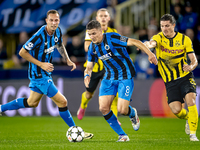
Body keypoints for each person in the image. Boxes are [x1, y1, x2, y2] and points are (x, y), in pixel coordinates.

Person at [0, 9, 93, 139]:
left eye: (56, 20)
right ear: (46, 21)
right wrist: (41, 64)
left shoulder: (58, 31)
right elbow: (22, 52)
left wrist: (67, 59)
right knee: (62, 102)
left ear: (58, 21)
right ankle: (77, 131)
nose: (54, 23)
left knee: (32, 102)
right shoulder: (39, 35)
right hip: (39, 74)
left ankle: (1, 108)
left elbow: (60, 44)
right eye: (51, 20)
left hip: (45, 74)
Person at [84, 20, 157, 141]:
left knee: (122, 110)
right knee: (103, 108)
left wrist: (150, 54)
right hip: (108, 78)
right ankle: (122, 135)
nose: (92, 37)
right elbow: (89, 66)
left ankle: (132, 113)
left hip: (125, 75)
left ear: (101, 31)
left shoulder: (112, 38)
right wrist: (87, 75)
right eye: (90, 34)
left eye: (94, 33)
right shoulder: (92, 47)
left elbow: (135, 42)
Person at [144, 14, 199, 141]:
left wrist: (191, 67)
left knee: (191, 101)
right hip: (169, 81)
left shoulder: (185, 39)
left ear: (173, 25)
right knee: (176, 110)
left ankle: (193, 134)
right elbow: (151, 43)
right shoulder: (158, 37)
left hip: (185, 77)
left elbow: (194, 60)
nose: (164, 28)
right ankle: (188, 118)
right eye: (162, 26)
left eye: (167, 26)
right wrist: (146, 45)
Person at [77, 8, 120, 124]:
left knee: (113, 93)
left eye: (105, 16)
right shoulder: (91, 31)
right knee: (89, 94)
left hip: (108, 67)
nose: (103, 18)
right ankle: (83, 105)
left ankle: (114, 118)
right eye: (101, 16)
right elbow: (86, 47)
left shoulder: (113, 31)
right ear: (97, 18)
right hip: (94, 68)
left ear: (109, 18)